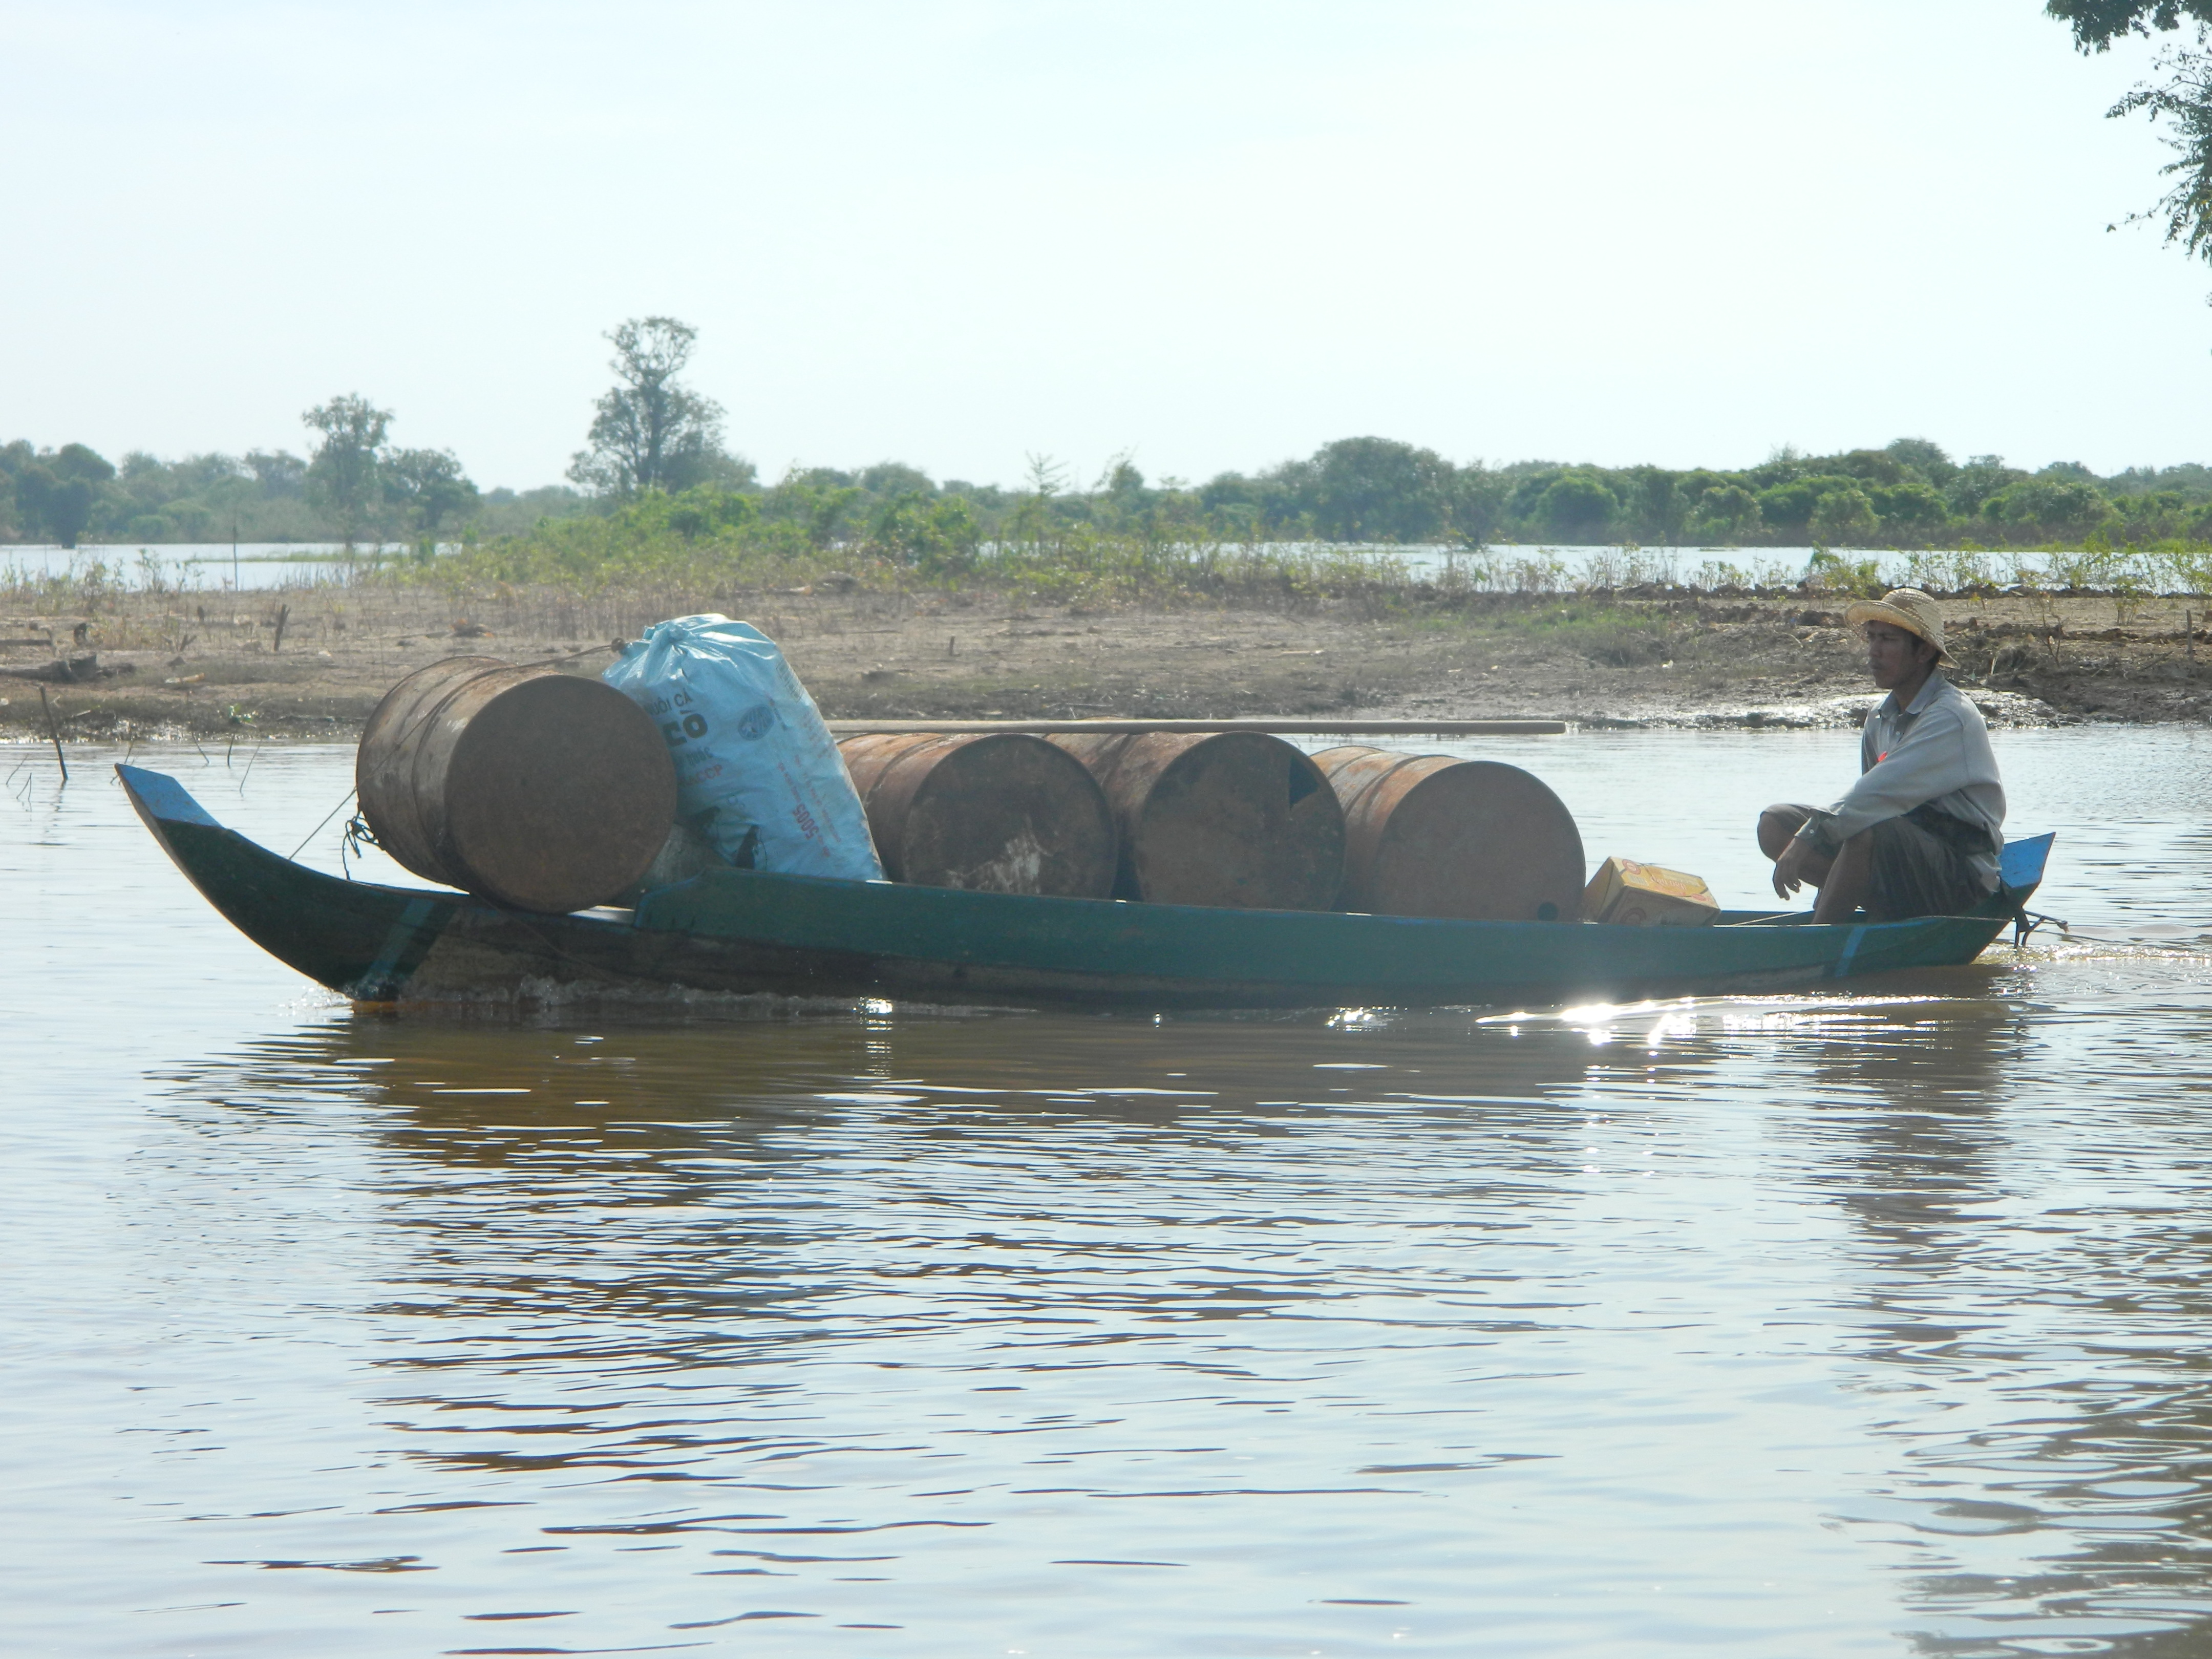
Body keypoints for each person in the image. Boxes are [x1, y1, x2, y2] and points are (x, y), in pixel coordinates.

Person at [1758, 587, 2005, 922]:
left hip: (1960, 876)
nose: (1874, 652)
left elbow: (1878, 795)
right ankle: (1859, 905)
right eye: (1872, 638)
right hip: (1900, 862)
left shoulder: (1950, 716)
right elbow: (1867, 799)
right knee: (1773, 823)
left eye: (1888, 640)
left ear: (1923, 652)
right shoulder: (1879, 717)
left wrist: (1808, 837)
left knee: (1865, 829)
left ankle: (1819, 940)